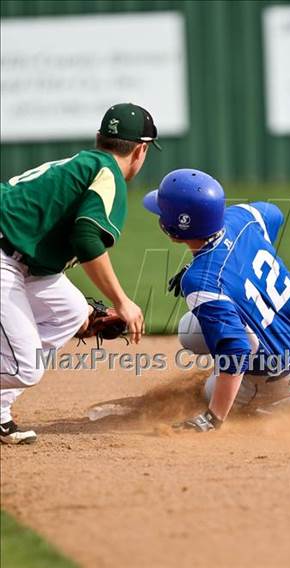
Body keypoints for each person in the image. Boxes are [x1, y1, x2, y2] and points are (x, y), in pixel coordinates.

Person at [0, 103, 160, 444]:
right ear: (141, 150)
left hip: (20, 258)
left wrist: (90, 312)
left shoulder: (84, 163)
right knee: (24, 368)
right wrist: (123, 301)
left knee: (72, 311)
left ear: (100, 138)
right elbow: (86, 239)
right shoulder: (108, 174)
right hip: (5, 254)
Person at [143, 168, 290, 432]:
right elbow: (274, 214)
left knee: (198, 356)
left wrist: (212, 418)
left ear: (174, 227)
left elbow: (236, 351)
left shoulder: (201, 281)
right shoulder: (244, 217)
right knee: (201, 325)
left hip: (279, 375)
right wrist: (240, 260)